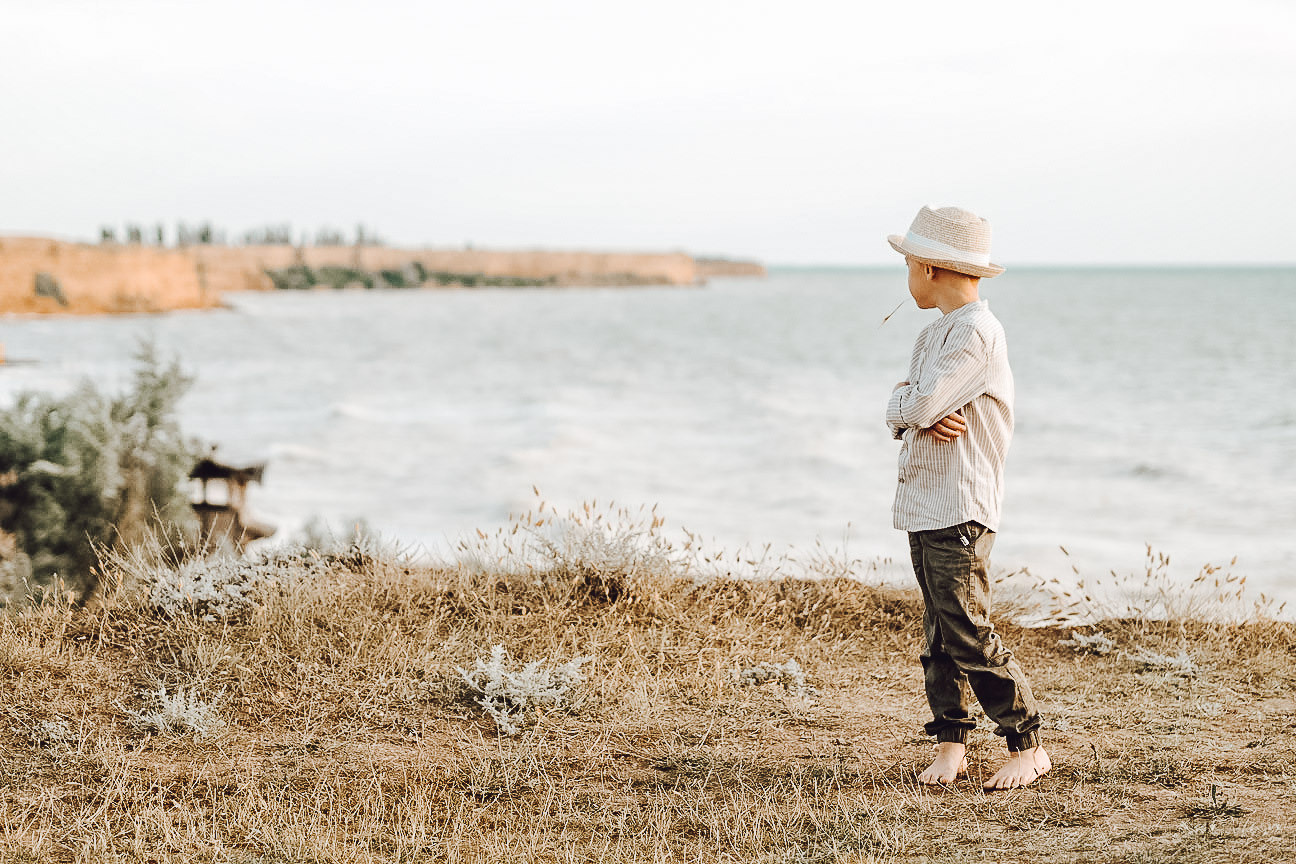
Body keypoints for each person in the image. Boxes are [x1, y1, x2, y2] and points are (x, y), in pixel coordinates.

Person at [884, 205, 1050, 790]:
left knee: (967, 628)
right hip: (926, 502)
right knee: (939, 634)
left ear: (930, 268)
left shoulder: (977, 332)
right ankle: (951, 742)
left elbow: (920, 404)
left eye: (908, 264)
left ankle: (1027, 743)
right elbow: (908, 406)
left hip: (960, 505)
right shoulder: (933, 334)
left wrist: (910, 407)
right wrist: (906, 407)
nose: (906, 276)